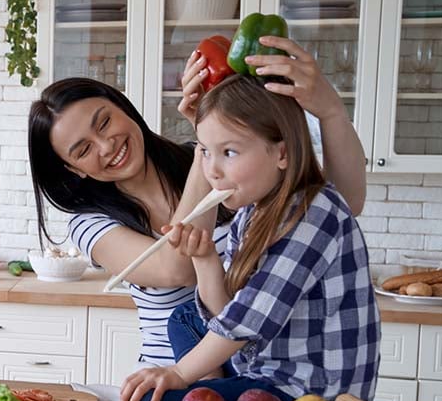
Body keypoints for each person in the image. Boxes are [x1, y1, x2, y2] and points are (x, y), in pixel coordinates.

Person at [29, 37, 367, 373]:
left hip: (255, 368)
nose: (105, 146)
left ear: (122, 106)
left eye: (104, 122)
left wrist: (331, 112)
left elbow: (342, 202)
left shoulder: (221, 162)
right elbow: (178, 268)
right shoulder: (89, 224)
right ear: (73, 169)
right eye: (83, 150)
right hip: (170, 377)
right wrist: (206, 146)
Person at [119, 74, 380, 401]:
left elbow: (243, 323)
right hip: (262, 363)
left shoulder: (312, 211)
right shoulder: (250, 210)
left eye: (229, 152)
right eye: (204, 151)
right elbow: (225, 308)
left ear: (282, 153)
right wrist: (205, 259)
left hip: (308, 394)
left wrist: (179, 373)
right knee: (184, 317)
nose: (212, 170)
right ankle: (212, 396)